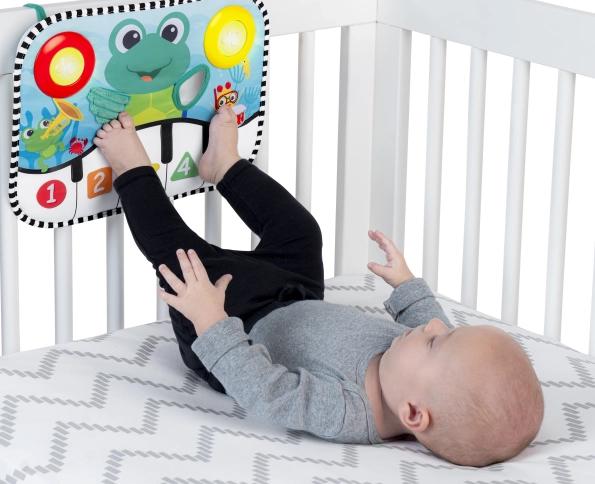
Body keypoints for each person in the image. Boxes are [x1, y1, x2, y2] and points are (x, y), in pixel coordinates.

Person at [92, 105, 544, 468]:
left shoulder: (346, 411)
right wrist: (407, 284)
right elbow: (434, 324)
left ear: (412, 414)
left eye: (434, 343)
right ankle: (225, 166)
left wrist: (212, 321)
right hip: (296, 293)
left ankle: (131, 168)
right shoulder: (417, 370)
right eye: (446, 331)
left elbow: (266, 391)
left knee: (185, 262)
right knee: (302, 233)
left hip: (235, 326)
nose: (432, 327)